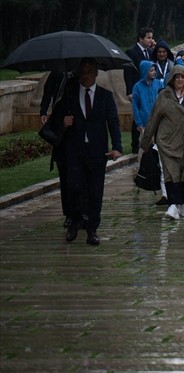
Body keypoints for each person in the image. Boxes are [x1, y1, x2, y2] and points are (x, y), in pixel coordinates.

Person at [50, 58, 122, 245]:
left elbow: (113, 122)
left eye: (90, 71)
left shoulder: (105, 96)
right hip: (74, 150)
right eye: (83, 70)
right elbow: (55, 119)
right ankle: (75, 221)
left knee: (95, 191)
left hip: (97, 151)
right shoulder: (70, 95)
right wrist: (63, 122)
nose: (86, 74)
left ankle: (92, 229)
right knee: (74, 187)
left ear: (96, 73)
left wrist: (117, 147)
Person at [141, 65, 184, 222]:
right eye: (177, 77)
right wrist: (146, 141)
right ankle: (172, 204)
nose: (180, 80)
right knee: (171, 172)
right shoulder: (164, 96)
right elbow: (154, 117)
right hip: (168, 141)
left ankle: (183, 202)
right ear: (171, 78)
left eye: (182, 77)